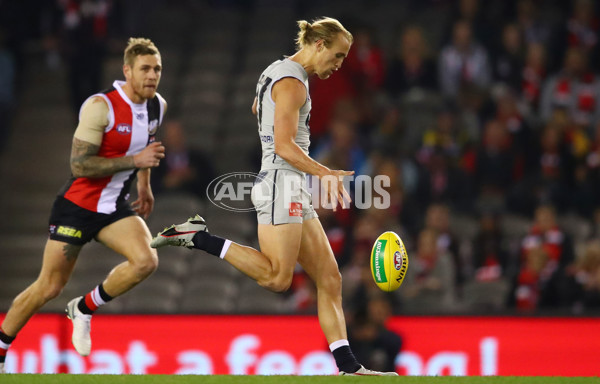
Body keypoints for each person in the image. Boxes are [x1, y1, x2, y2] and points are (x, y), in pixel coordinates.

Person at [151, 17, 397, 376]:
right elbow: (283, 145)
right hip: (282, 182)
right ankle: (196, 237)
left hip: (290, 183)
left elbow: (258, 108)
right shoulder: (294, 83)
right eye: (339, 55)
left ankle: (349, 367)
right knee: (277, 278)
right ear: (318, 44)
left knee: (330, 278)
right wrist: (325, 173)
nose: (340, 64)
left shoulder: (277, 70)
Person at [0, 37, 166, 373]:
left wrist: (145, 187)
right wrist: (134, 160)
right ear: (127, 71)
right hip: (77, 206)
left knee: (146, 260)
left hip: (114, 207)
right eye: (145, 69)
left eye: (157, 69)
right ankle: (1, 349)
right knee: (48, 287)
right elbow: (79, 165)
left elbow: (148, 146)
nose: (152, 75)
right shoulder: (100, 106)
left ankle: (84, 308)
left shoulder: (157, 105)